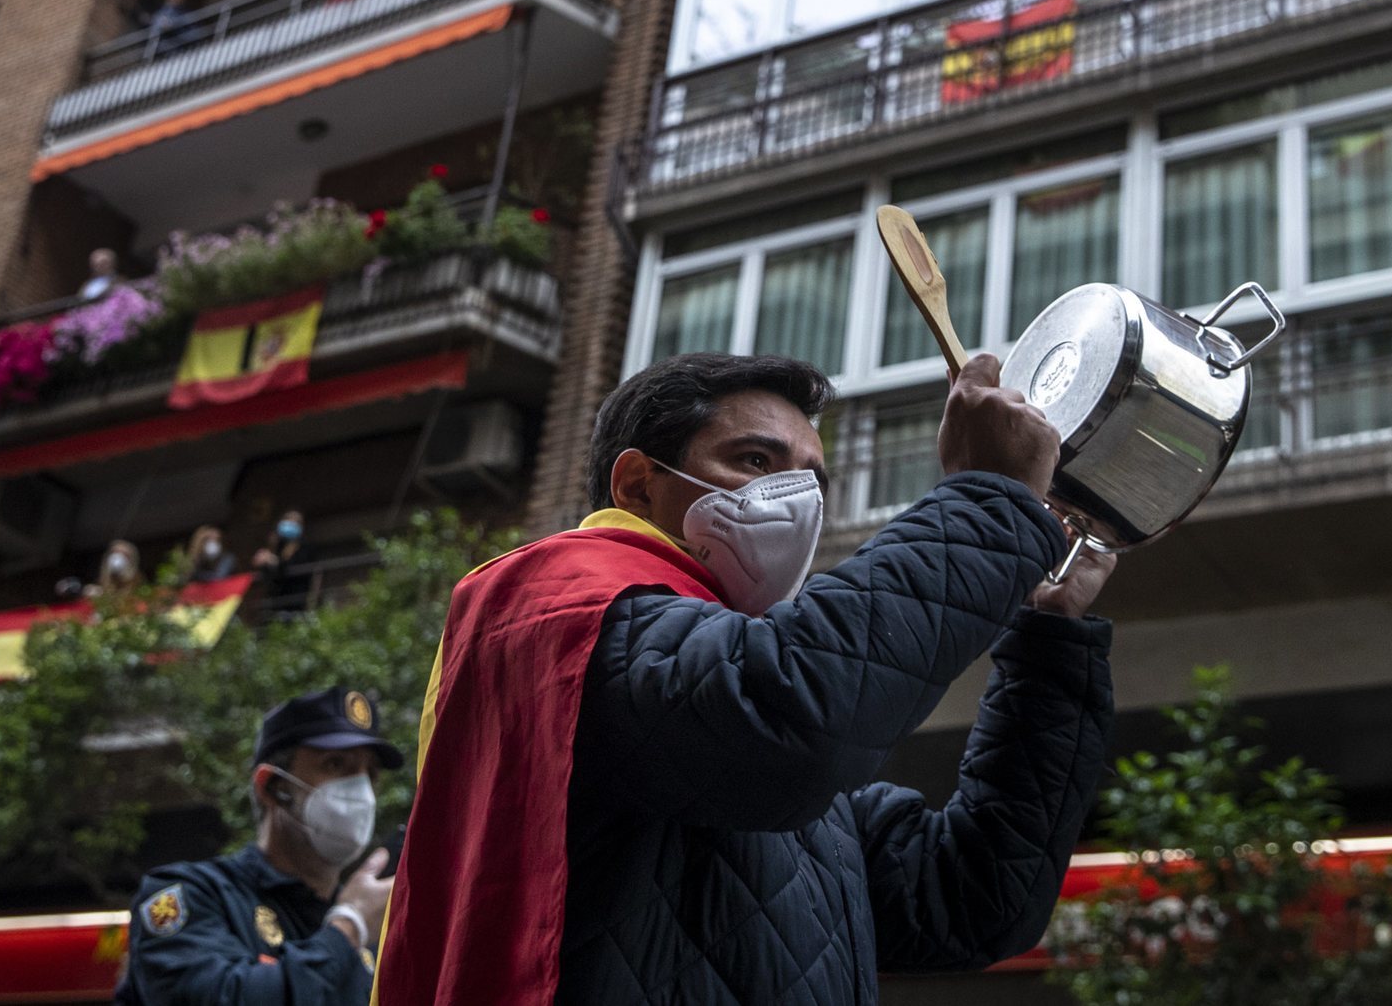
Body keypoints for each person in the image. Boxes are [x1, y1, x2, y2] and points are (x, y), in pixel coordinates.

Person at [374, 351, 1118, 1004]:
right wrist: (989, 498)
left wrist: (1048, 639)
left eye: (811, 479)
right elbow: (788, 711)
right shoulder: (563, 603)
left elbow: (969, 901)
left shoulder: (729, 674)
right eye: (756, 462)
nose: (795, 501)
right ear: (635, 485)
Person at [115, 687, 404, 1004]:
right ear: (272, 787)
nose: (361, 790)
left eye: (370, 773)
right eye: (335, 765)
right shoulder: (195, 896)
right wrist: (349, 925)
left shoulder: (375, 932)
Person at [252, 509, 310, 611]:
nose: (290, 524)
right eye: (288, 521)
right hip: (275, 596)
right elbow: (272, 571)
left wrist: (272, 559)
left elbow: (291, 567)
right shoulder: (278, 545)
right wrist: (263, 562)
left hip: (293, 596)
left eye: (294, 522)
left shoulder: (304, 546)